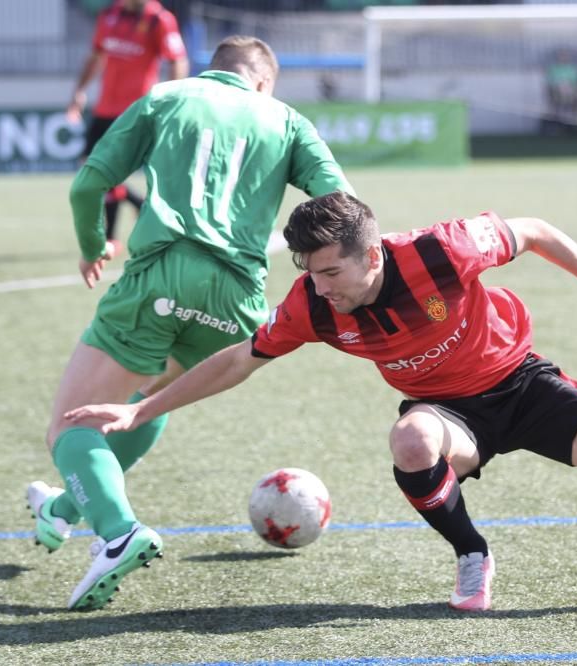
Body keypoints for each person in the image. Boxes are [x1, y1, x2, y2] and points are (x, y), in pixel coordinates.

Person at [66, 191, 577, 612]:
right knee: (413, 446)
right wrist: (140, 411)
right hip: (446, 413)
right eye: (307, 272)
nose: (316, 289)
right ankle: (472, 551)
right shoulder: (310, 306)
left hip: (525, 386)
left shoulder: (441, 251)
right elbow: (242, 357)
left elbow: (535, 228)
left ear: (370, 252)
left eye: (329, 272)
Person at [28, 36, 354, 611]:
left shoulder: (167, 96)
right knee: (146, 400)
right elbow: (342, 204)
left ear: (216, 71)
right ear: (263, 82)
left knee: (68, 430)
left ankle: (119, 533)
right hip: (238, 304)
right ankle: (62, 510)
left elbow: (88, 184)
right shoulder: (286, 119)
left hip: (160, 278)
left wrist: (92, 244)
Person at [67, 0, 189, 258]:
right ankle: (134, 209)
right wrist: (79, 90)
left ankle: (112, 237)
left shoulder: (159, 20)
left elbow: (177, 60)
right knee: (90, 169)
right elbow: (96, 55)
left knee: (111, 175)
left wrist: (173, 103)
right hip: (104, 110)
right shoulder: (109, 15)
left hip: (137, 113)